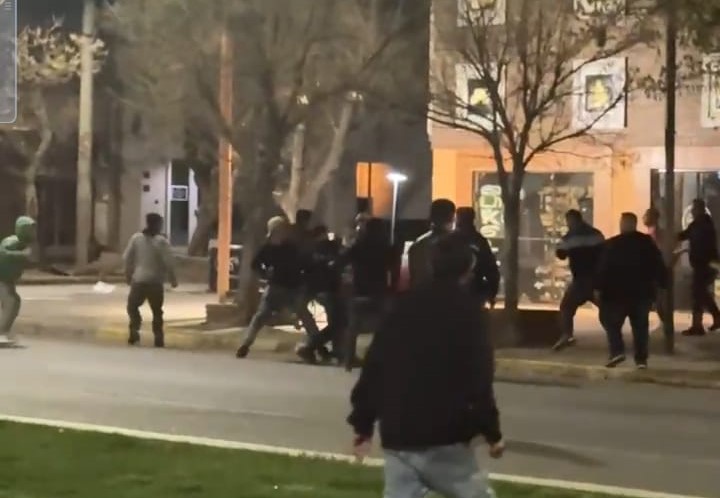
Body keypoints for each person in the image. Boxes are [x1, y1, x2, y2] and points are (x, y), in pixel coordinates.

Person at [348, 234, 503, 498]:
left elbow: (375, 367)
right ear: (468, 270)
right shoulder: (470, 313)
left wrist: (363, 423)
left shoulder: (401, 306)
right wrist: (491, 432)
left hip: (399, 430)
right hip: (446, 433)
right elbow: (478, 379)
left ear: (431, 266)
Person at [236, 216, 320, 358]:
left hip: (293, 287)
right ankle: (245, 344)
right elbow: (256, 264)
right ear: (275, 230)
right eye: (281, 229)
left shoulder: (290, 247)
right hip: (275, 287)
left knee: (306, 317)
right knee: (260, 317)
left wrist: (304, 277)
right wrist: (265, 273)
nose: (284, 231)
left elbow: (303, 264)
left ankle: (317, 344)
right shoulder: (268, 248)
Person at [596, 213, 667, 369]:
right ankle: (641, 359)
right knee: (640, 327)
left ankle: (617, 351)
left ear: (623, 224)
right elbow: (658, 264)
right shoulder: (646, 243)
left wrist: (599, 288)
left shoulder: (612, 244)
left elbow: (603, 269)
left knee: (611, 322)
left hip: (617, 293)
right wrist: (663, 284)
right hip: (641, 293)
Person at [336, 217, 394, 371]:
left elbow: (340, 260)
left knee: (353, 327)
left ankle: (348, 359)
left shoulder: (358, 246)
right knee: (384, 326)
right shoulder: (386, 248)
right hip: (379, 290)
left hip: (359, 290)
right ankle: (379, 358)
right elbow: (393, 268)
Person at [553, 209, 605, 351]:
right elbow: (605, 253)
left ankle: (567, 335)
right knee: (606, 308)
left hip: (580, 280)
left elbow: (560, 254)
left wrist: (560, 244)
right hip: (597, 280)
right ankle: (615, 335)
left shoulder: (571, 237)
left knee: (566, 307)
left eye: (568, 221)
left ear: (572, 220)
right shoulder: (596, 234)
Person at [123, 213, 177, 348]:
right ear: (158, 224)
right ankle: (158, 338)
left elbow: (127, 258)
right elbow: (169, 262)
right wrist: (173, 279)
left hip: (139, 280)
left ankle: (134, 330)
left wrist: (128, 274)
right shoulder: (162, 242)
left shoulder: (136, 238)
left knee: (132, 307)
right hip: (155, 282)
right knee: (157, 311)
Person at [296, 225, 347, 363]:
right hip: (329, 289)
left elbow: (304, 269)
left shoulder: (309, 250)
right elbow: (338, 263)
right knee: (338, 322)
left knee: (337, 322)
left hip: (318, 289)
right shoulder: (330, 247)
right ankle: (311, 347)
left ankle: (331, 350)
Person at [678, 199, 720, 336]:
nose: (692, 211)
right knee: (701, 293)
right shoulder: (698, 224)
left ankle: (698, 326)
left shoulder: (703, 225)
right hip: (703, 264)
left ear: (700, 209)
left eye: (694, 209)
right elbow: (684, 235)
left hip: (704, 265)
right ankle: (714, 318)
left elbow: (699, 244)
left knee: (698, 294)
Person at [0, 216, 36, 343]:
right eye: (31, 229)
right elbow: (2, 253)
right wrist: (21, 255)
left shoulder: (23, 245)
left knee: (13, 302)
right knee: (11, 302)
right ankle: (2, 332)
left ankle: (4, 331)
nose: (33, 233)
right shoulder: (12, 241)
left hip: (7, 279)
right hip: (2, 279)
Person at [455, 207, 500, 308]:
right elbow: (491, 270)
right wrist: (491, 294)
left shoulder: (450, 239)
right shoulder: (479, 240)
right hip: (474, 291)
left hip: (456, 292)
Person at [407, 199, 456, 288]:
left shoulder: (419, 244)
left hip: (423, 294)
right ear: (452, 217)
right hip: (449, 293)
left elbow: (416, 279)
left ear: (431, 216)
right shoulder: (460, 243)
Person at [643, 207, 669, 330]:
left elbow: (658, 250)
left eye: (646, 216)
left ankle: (666, 324)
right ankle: (665, 323)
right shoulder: (653, 231)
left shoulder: (654, 232)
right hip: (655, 269)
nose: (644, 218)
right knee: (657, 300)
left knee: (659, 300)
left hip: (656, 269)